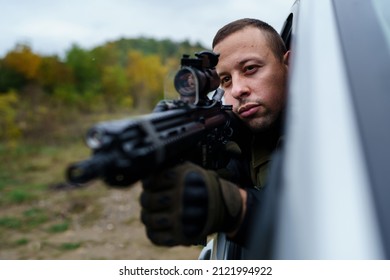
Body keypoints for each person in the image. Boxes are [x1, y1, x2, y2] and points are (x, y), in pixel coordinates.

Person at [140, 18, 290, 253]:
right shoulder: (246, 131)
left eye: (250, 68)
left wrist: (234, 207)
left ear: (289, 64)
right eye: (225, 80)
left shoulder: (329, 126)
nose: (238, 90)